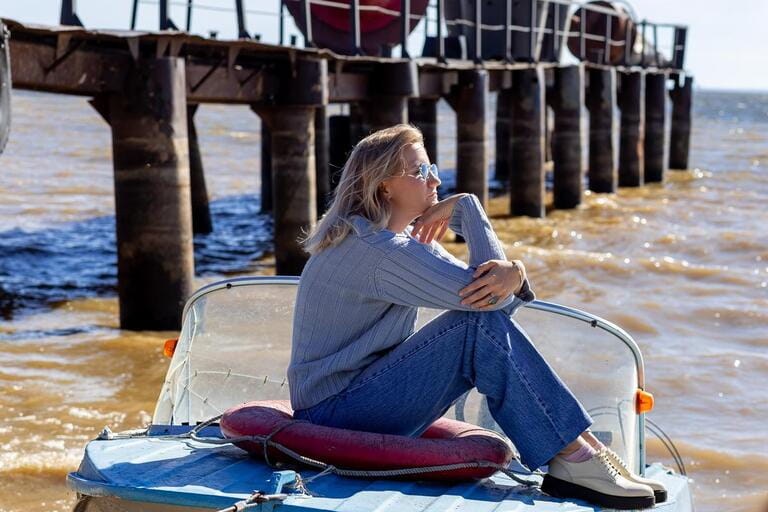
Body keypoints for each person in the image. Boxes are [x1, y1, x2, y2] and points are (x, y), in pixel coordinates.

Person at [288, 124, 665, 509]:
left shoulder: (387, 241)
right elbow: (486, 303)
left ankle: (584, 450)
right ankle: (574, 457)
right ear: (384, 185)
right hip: (333, 415)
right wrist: (469, 209)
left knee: (477, 324)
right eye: (420, 171)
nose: (435, 178)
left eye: (431, 166)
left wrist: (514, 271)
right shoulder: (376, 251)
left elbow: (495, 298)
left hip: (348, 403)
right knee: (474, 326)